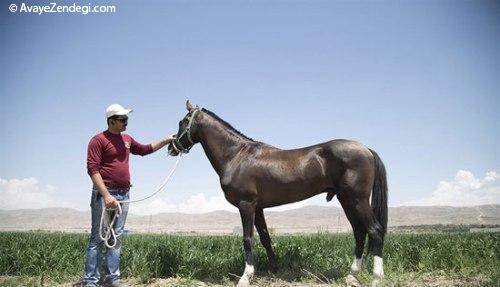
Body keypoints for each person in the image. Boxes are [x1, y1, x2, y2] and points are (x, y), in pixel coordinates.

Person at [83, 104, 175, 287]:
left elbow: (144, 149)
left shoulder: (127, 139)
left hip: (124, 194)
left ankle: (112, 280)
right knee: (97, 238)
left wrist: (166, 140)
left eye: (127, 119)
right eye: (123, 120)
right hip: (105, 195)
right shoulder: (98, 140)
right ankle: (90, 281)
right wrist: (107, 196)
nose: (127, 122)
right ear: (111, 121)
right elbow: (92, 169)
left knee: (115, 237)